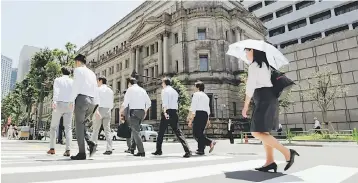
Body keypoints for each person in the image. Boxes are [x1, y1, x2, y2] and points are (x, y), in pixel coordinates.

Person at [242, 48, 299, 172]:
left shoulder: (254, 66)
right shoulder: (266, 65)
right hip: (269, 98)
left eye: (247, 50)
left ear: (253, 51)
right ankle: (270, 161)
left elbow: (250, 87)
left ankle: (288, 153)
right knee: (264, 133)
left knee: (256, 132)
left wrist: (245, 106)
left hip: (263, 99)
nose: (245, 53)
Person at [70, 54, 100, 160]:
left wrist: (71, 100)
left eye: (75, 63)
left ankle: (82, 153)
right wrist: (96, 104)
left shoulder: (78, 70)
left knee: (78, 126)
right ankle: (90, 143)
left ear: (78, 62)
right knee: (82, 125)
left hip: (82, 99)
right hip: (92, 101)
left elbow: (76, 86)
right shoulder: (92, 73)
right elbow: (96, 88)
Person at [152, 78, 191, 158]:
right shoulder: (174, 91)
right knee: (178, 132)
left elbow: (165, 103)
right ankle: (188, 150)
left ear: (164, 83)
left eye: (162, 83)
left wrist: (165, 112)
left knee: (161, 132)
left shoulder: (165, 90)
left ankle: (158, 150)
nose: (161, 84)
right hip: (174, 112)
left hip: (167, 112)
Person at [120, 77, 151, 157]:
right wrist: (145, 111)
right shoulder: (142, 90)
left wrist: (121, 111)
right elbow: (149, 103)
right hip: (141, 112)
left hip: (134, 112)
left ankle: (141, 151)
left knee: (136, 132)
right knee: (135, 130)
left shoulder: (130, 90)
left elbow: (126, 102)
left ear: (129, 83)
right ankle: (133, 148)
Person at [47, 67, 73, 156]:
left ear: (62, 72)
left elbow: (56, 91)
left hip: (59, 103)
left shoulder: (58, 80)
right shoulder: (73, 81)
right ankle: (68, 150)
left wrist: (54, 101)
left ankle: (52, 148)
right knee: (68, 128)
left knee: (53, 127)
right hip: (70, 104)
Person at [188, 81, 216, 155]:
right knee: (200, 133)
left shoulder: (196, 94)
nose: (194, 88)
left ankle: (210, 142)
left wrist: (190, 119)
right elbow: (208, 109)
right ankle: (201, 150)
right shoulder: (206, 96)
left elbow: (193, 107)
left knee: (196, 133)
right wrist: (208, 120)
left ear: (198, 87)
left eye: (194, 87)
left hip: (198, 114)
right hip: (205, 115)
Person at [90, 76, 114, 155]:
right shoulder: (110, 90)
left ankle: (93, 147)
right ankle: (109, 148)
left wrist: (95, 111)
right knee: (107, 130)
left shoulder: (98, 89)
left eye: (97, 81)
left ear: (100, 81)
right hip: (108, 110)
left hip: (99, 109)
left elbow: (95, 101)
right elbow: (112, 103)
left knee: (96, 130)